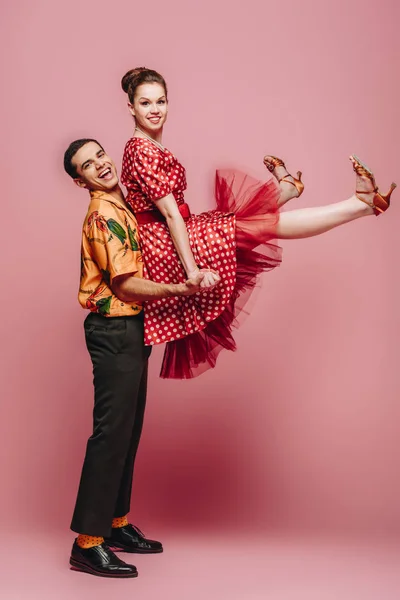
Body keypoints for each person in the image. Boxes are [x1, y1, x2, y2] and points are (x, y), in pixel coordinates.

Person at [120, 67, 396, 380]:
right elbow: (169, 214)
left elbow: (173, 213)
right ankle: (358, 204)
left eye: (161, 101)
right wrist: (192, 271)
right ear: (131, 107)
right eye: (145, 103)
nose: (155, 110)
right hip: (163, 243)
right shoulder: (140, 149)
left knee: (238, 221)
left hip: (175, 228)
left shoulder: (150, 144)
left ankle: (299, 191)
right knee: (261, 226)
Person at [63, 138, 213, 578]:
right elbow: (126, 284)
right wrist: (179, 289)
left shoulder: (121, 200)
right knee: (111, 434)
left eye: (100, 155)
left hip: (131, 327)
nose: (101, 165)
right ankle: (87, 543)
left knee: (127, 431)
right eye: (88, 165)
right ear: (79, 181)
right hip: (114, 329)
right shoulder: (104, 214)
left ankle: (115, 523)